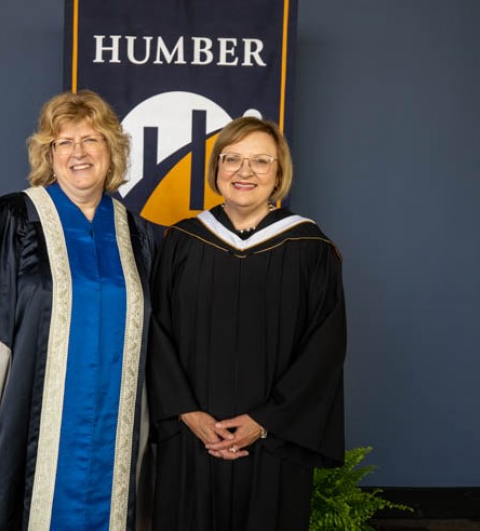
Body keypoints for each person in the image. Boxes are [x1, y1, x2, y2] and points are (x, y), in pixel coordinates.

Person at [0, 90, 155, 530]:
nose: (78, 153)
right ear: (49, 153)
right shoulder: (14, 221)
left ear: (112, 150)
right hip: (22, 431)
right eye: (64, 142)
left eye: (91, 140)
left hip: (111, 437)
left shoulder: (136, 234)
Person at [147, 116, 346, 531]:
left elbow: (324, 347)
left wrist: (265, 422)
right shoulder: (182, 241)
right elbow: (155, 333)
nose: (244, 172)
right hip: (190, 441)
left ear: (278, 174)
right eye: (232, 159)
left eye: (260, 161)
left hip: (273, 444)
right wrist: (188, 414)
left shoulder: (309, 247)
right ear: (216, 169)